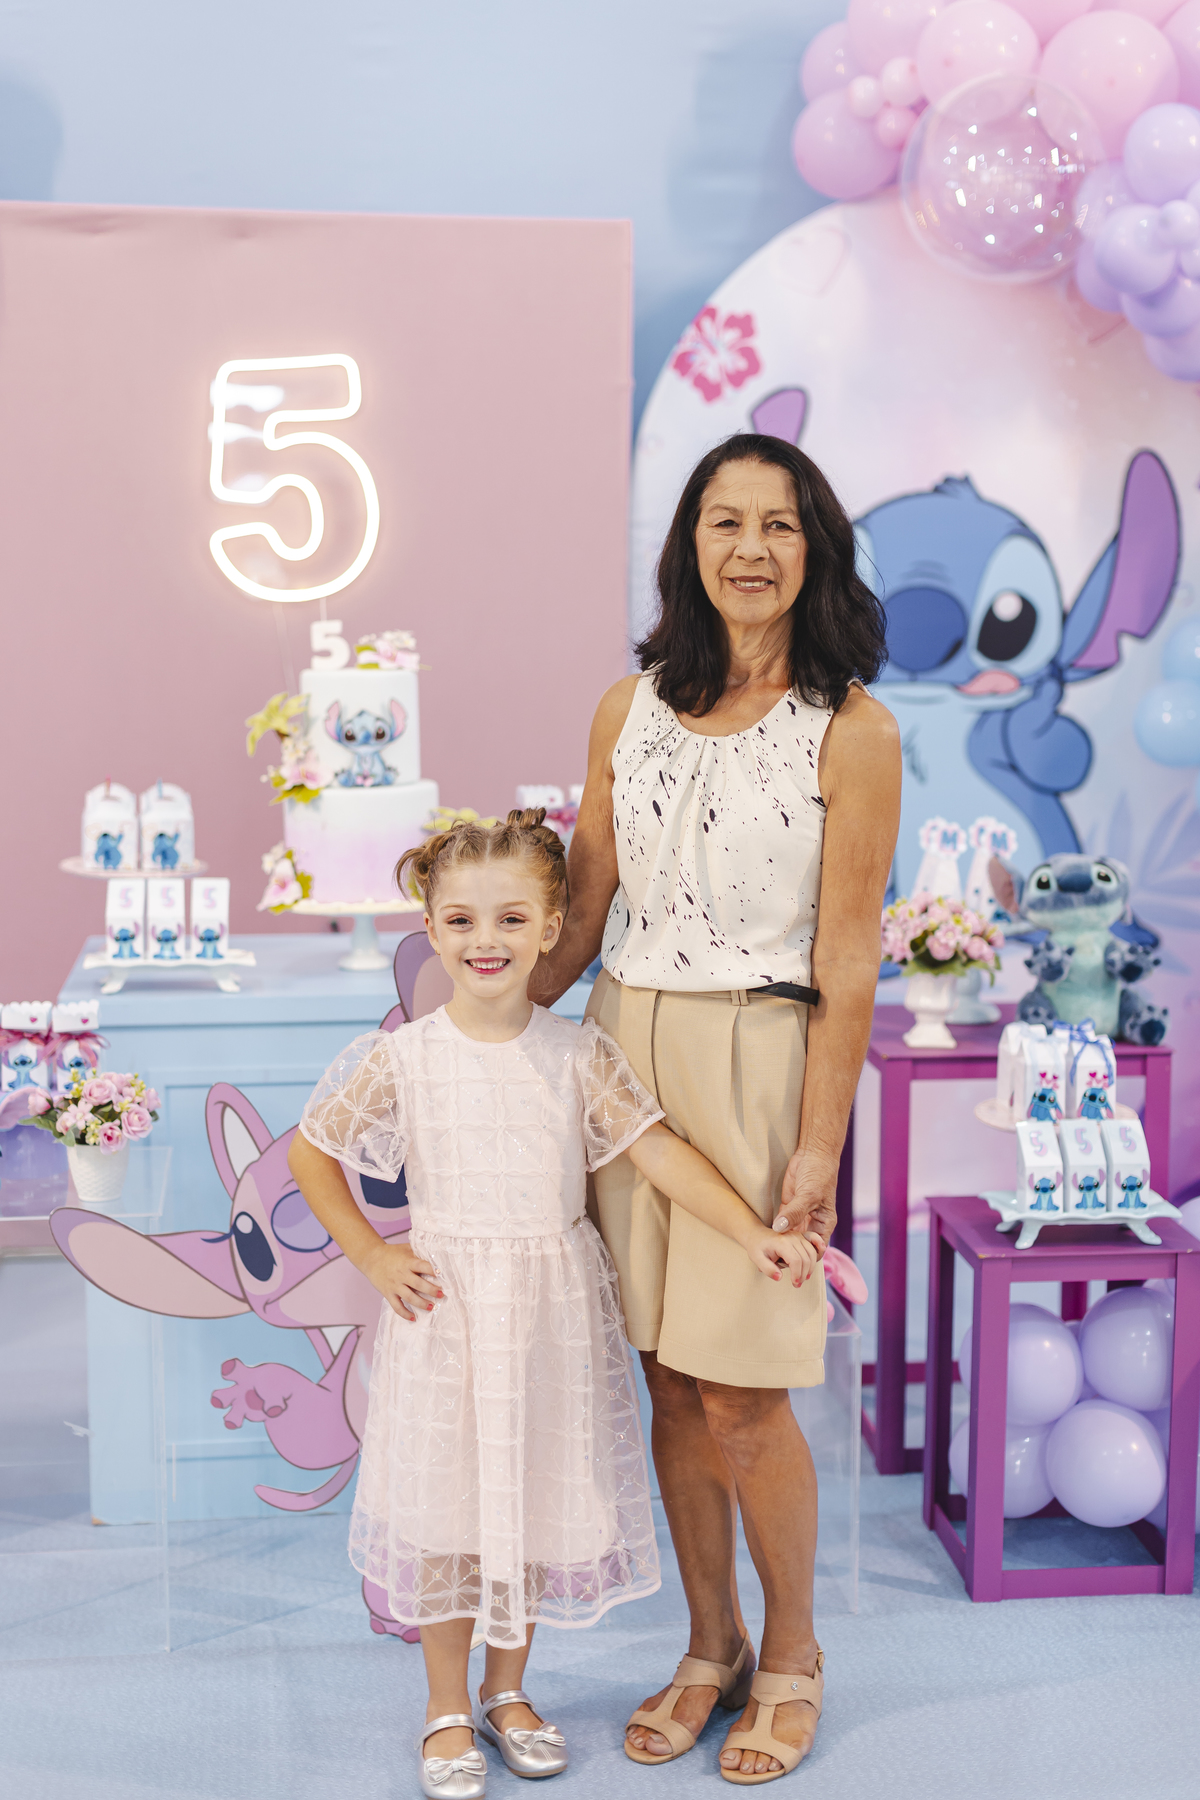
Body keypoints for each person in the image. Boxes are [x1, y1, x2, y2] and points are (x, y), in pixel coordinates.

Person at [287, 808, 822, 1798]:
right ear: (430, 927)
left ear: (551, 928)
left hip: (544, 1322)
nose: (483, 941)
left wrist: (753, 1233)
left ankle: (507, 1691)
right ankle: (445, 1706)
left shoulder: (577, 1053)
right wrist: (371, 1252)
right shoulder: (404, 1056)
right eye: (459, 921)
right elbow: (312, 1150)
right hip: (447, 1321)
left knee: (523, 1504)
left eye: (509, 919)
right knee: (450, 1514)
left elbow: (658, 1153)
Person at [532, 434, 901, 1783]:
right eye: (725, 522)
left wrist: (819, 1144)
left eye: (780, 525)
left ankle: (794, 1656)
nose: (751, 548)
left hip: (759, 1058)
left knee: (745, 1394)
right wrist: (476, 1026)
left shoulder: (854, 732)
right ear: (689, 544)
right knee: (670, 1383)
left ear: (816, 550)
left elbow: (849, 955)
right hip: (617, 1048)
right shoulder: (624, 710)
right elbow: (583, 912)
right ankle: (712, 1644)